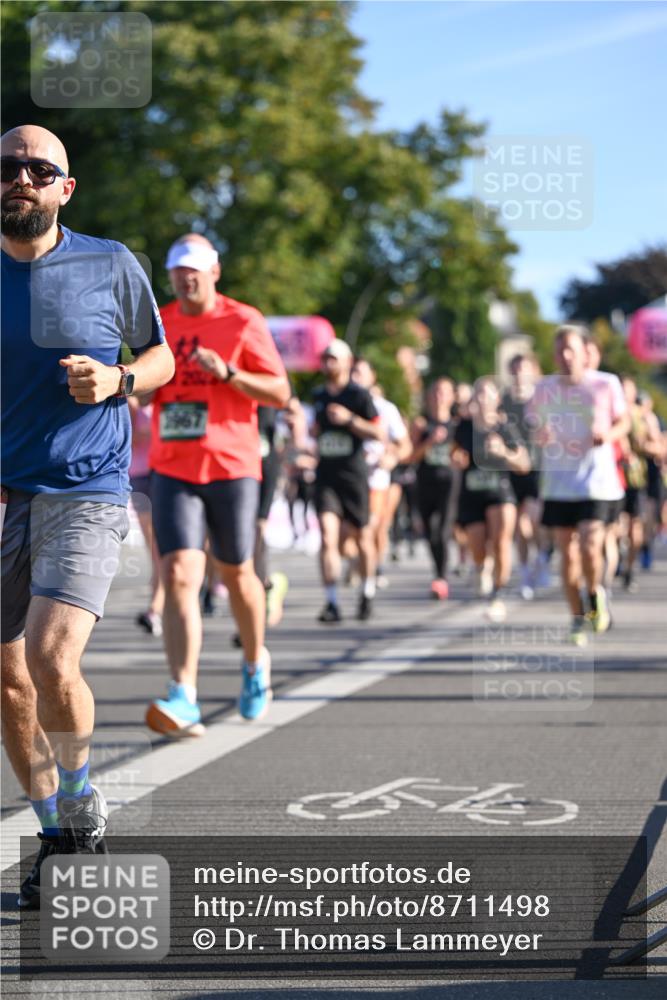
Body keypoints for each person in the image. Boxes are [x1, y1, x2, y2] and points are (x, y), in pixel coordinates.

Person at [0, 125, 174, 908]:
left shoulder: (110, 262)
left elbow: (161, 356)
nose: (23, 178)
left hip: (87, 489)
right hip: (9, 493)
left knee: (49, 654)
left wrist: (119, 379)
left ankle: (80, 799)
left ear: (65, 189)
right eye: (9, 168)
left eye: (41, 169)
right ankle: (54, 839)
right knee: (7, 681)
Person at [145, 234, 290, 736]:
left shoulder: (242, 320)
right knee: (180, 574)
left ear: (214, 272)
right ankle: (183, 693)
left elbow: (279, 390)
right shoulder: (160, 322)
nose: (187, 278)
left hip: (231, 464)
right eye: (178, 270)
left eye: (195, 269)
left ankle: (254, 663)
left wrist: (228, 372)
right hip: (172, 465)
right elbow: (143, 383)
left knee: (236, 574)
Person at [529, 325, 628, 645]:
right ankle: (577, 616)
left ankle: (594, 592)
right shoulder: (544, 388)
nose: (566, 356)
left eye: (571, 349)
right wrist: (540, 435)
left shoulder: (606, 383)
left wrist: (608, 436)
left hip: (596, 481)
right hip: (559, 483)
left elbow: (624, 422)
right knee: (567, 556)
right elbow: (534, 426)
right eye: (560, 351)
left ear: (586, 352)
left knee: (589, 543)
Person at [311, 339, 383, 623]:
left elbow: (378, 433)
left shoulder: (359, 396)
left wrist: (350, 419)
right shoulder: (318, 395)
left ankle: (367, 591)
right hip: (326, 476)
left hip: (353, 476)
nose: (328, 364)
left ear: (347, 362)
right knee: (328, 537)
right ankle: (331, 602)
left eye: (334, 359)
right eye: (325, 358)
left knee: (363, 537)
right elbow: (315, 432)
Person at [451, 377, 530, 622]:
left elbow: (524, 465)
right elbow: (453, 452)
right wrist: (456, 459)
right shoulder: (464, 427)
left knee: (501, 542)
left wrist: (504, 453)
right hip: (472, 493)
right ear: (474, 399)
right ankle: (480, 568)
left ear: (497, 399)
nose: (484, 399)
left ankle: (498, 595)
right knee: (477, 545)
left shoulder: (505, 427)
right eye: (480, 394)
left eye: (489, 394)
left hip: (500, 492)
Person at [350, 357, 411, 589]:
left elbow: (405, 446)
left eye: (361, 373)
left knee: (373, 527)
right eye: (353, 372)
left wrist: (391, 457)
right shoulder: (340, 405)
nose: (356, 378)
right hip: (347, 479)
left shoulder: (386, 409)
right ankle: (360, 560)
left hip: (376, 479)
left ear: (372, 377)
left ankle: (371, 573)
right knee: (347, 538)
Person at [500, 354, 545, 599]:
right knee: (519, 525)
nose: (519, 373)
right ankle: (526, 573)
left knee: (534, 523)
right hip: (512, 468)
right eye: (515, 369)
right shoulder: (504, 400)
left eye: (523, 369)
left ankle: (541, 558)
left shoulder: (540, 398)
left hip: (537, 468)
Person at [410, 378, 457, 600]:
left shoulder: (457, 426)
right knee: (430, 530)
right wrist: (429, 441)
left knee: (443, 529)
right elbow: (411, 456)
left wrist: (459, 457)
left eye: (444, 392)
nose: (439, 396)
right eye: (436, 391)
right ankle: (438, 572)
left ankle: (441, 577)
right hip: (426, 481)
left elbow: (463, 456)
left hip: (449, 483)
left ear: (452, 397)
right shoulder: (421, 424)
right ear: (429, 397)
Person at [128, 396, 165, 635]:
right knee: (155, 546)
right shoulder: (131, 402)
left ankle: (157, 606)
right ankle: (156, 607)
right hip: (141, 475)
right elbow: (128, 438)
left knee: (162, 547)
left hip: (164, 472)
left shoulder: (165, 397)